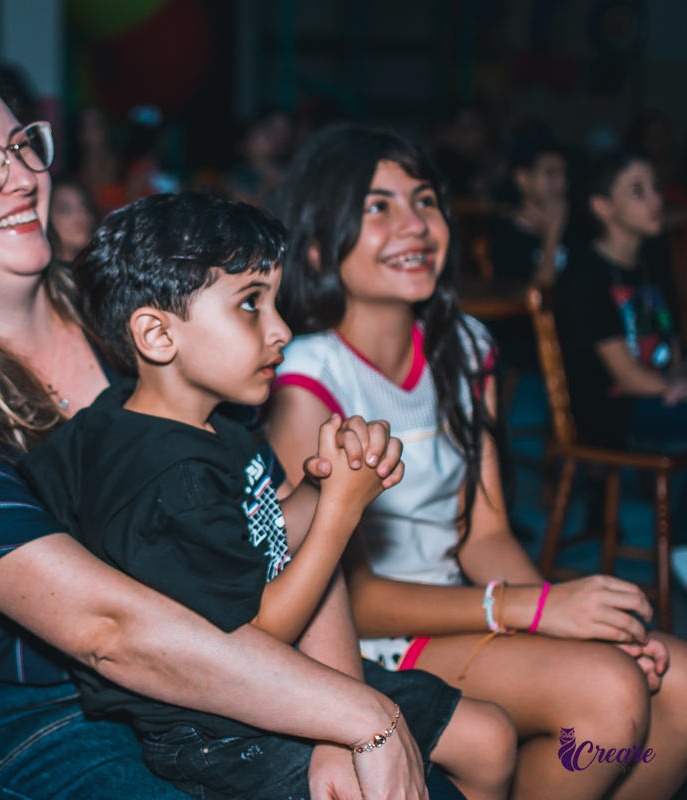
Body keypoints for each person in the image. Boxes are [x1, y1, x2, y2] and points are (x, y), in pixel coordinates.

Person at [0, 48, 483, 800]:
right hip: (46, 709)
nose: (23, 175)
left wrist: (328, 714)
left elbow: (265, 527)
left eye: (24, 144)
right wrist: (352, 716)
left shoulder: (138, 312)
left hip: (238, 658)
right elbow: (110, 631)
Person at [18, 190, 516, 800]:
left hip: (278, 675)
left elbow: (267, 529)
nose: (280, 329)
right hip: (222, 725)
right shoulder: (168, 480)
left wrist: (323, 482)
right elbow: (263, 631)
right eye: (251, 304)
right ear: (155, 334)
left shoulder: (208, 425)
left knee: (489, 738)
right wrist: (340, 513)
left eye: (275, 301)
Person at [264, 124, 687, 799]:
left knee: (682, 682)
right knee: (609, 695)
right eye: (379, 207)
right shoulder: (306, 382)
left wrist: (560, 616)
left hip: (462, 608)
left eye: (426, 200)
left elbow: (485, 534)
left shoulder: (465, 344)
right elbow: (349, 600)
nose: (416, 225)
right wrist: (535, 609)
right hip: (367, 646)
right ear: (318, 243)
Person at [555, 151, 686, 453]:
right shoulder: (584, 273)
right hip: (614, 411)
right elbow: (627, 377)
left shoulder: (653, 258)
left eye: (655, 187)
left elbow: (674, 351)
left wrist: (679, 382)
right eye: (637, 191)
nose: (656, 199)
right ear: (603, 207)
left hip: (661, 397)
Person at [484, 134, 570, 372]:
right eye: (551, 174)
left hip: (573, 349)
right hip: (526, 357)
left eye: (564, 175)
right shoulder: (504, 236)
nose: (562, 185)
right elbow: (536, 301)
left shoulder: (577, 228)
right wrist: (553, 233)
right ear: (523, 179)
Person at [48, 177, 96, 266]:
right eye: (65, 209)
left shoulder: (100, 271)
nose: (82, 215)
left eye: (84, 205)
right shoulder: (42, 278)